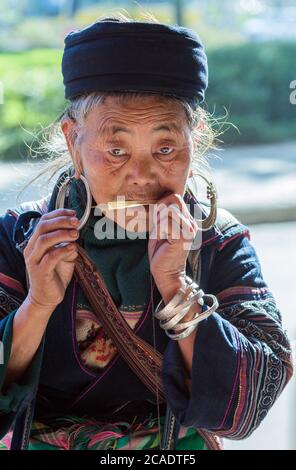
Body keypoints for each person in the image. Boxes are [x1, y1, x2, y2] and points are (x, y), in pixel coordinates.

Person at [0, 15, 293, 451]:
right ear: (73, 141)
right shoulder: (20, 238)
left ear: (198, 140)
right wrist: (37, 305)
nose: (141, 175)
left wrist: (176, 286)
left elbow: (251, 403)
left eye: (166, 148)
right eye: (116, 149)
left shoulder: (218, 241)